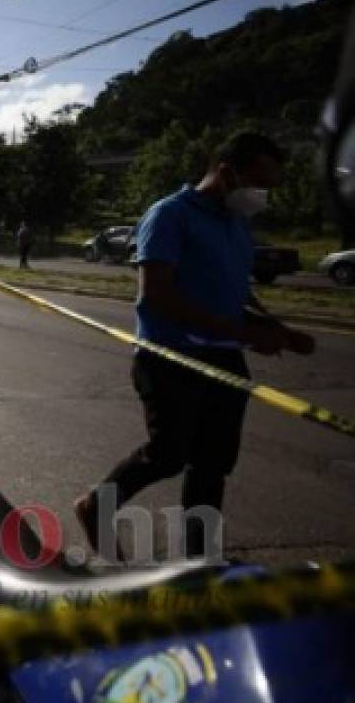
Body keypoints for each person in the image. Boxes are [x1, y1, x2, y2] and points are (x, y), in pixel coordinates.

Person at [74, 133, 315, 562]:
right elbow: (157, 295)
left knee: (214, 462)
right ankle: (96, 506)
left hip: (223, 357)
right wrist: (242, 332)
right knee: (169, 454)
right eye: (259, 182)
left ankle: (200, 558)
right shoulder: (169, 215)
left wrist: (274, 327)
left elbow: (234, 291)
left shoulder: (236, 224)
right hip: (169, 354)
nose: (263, 195)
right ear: (226, 172)